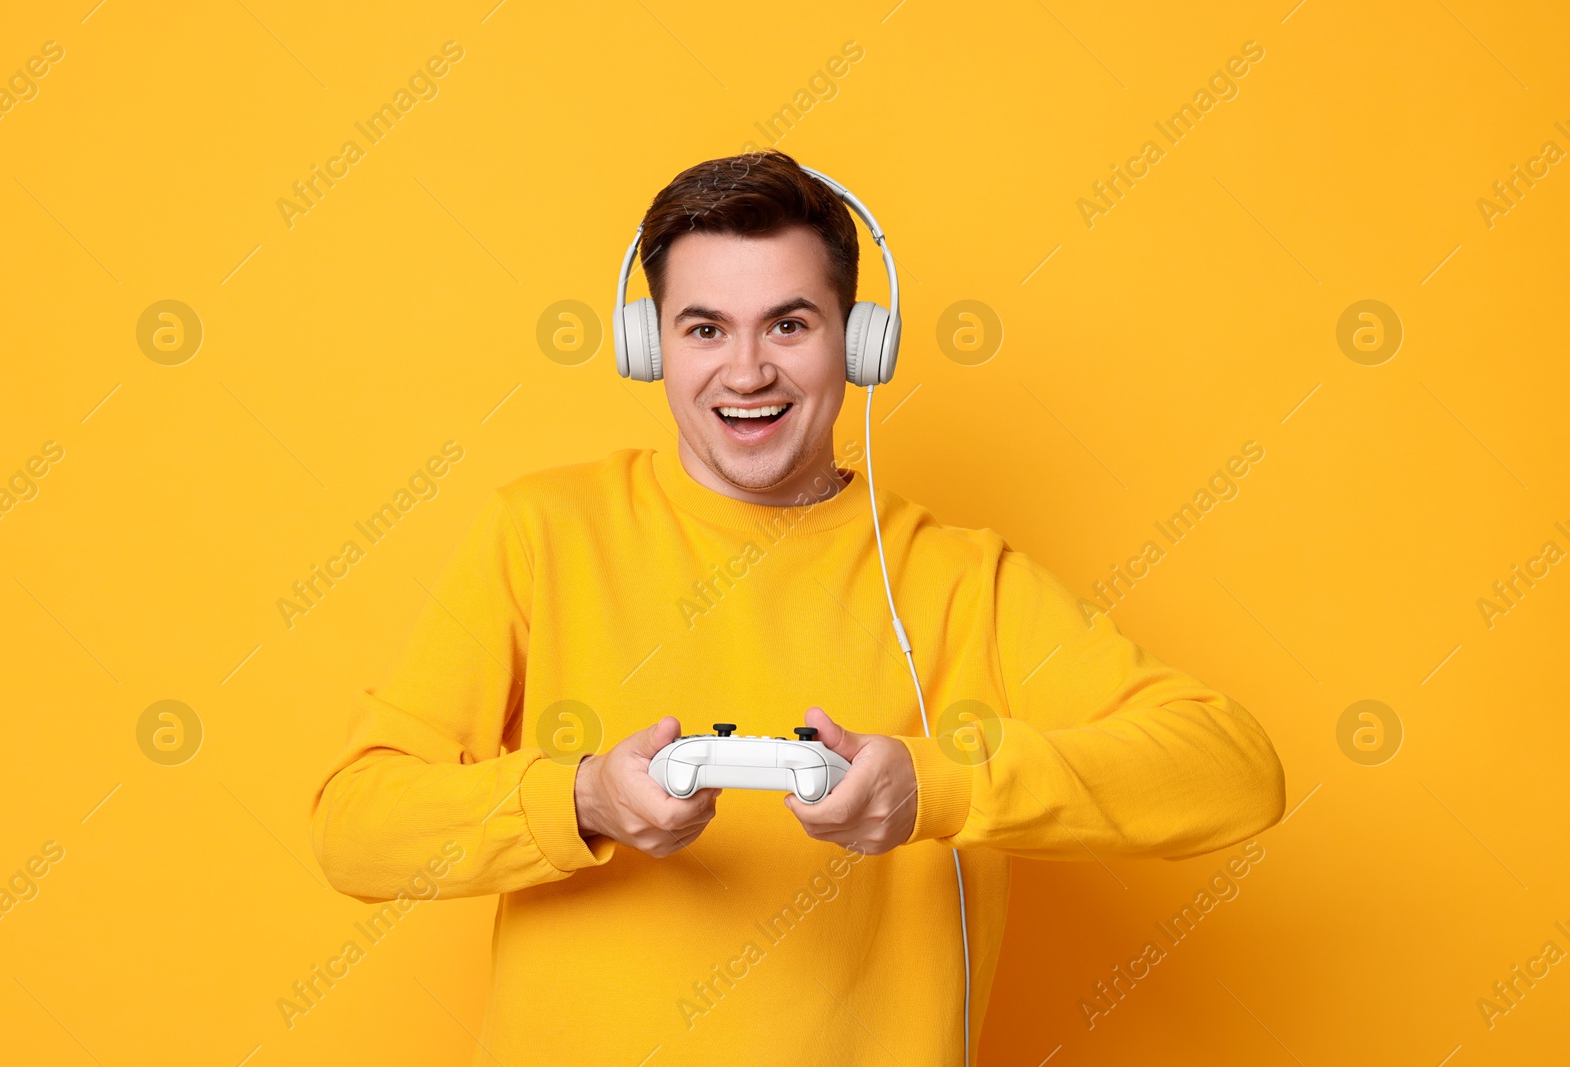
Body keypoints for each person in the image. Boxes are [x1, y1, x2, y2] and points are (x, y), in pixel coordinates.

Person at [310, 148, 1286, 1065]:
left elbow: (1233, 771)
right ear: (649, 345)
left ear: (859, 341)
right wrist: (583, 798)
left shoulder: (951, 577)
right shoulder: (541, 532)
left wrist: (933, 787)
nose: (746, 372)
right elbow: (355, 825)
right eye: (705, 328)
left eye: (788, 323)